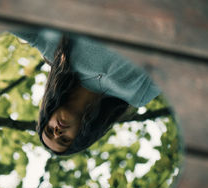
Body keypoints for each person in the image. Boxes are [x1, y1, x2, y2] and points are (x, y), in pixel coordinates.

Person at [11, 28, 161, 155]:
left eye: (49, 130)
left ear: (47, 117)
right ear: (81, 136)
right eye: (64, 140)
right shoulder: (137, 95)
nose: (57, 133)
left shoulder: (56, 54)